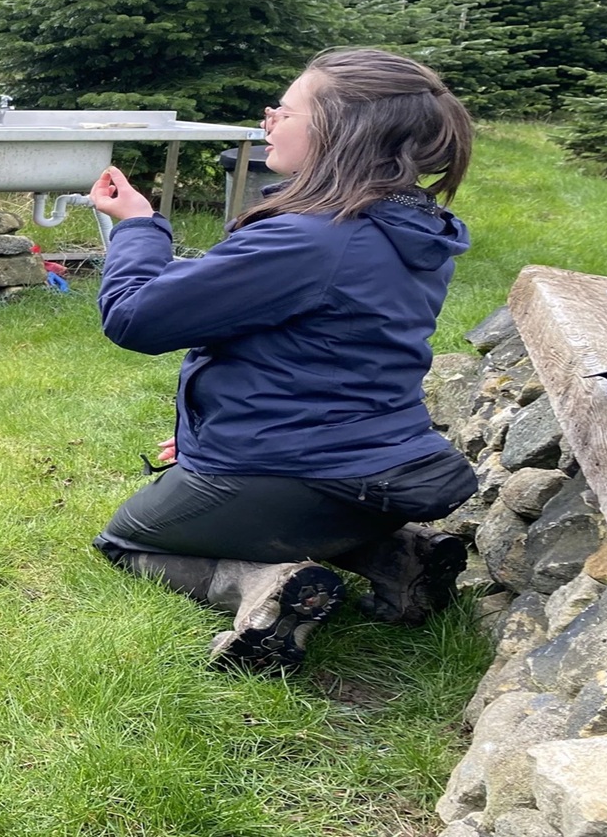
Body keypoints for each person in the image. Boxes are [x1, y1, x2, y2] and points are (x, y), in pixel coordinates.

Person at [87, 48, 478, 672]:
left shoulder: (310, 238)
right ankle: (399, 559)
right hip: (392, 463)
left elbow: (136, 318)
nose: (268, 119)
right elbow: (318, 359)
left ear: (336, 130)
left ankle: (262, 588)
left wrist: (138, 226)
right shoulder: (404, 229)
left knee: (128, 539)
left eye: (285, 110)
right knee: (251, 499)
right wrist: (205, 432)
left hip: (305, 468)